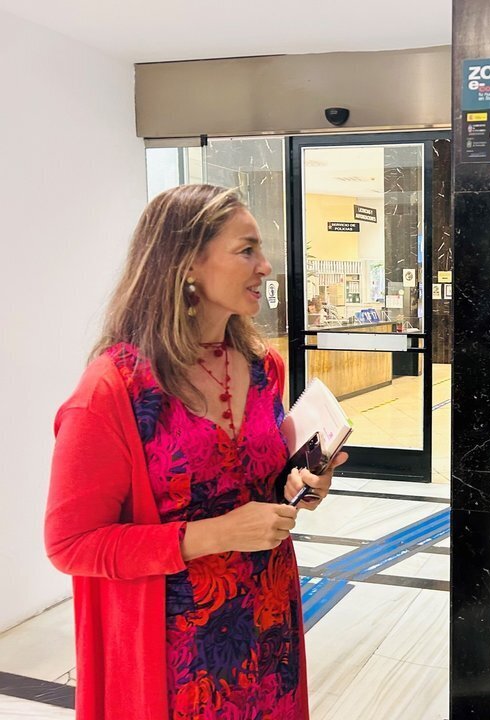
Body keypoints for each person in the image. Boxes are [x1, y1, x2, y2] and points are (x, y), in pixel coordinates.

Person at [45, 184, 347, 720]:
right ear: (187, 262)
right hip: (176, 659)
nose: (265, 266)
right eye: (247, 250)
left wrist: (302, 483)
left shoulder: (263, 368)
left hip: (269, 628)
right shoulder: (115, 389)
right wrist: (216, 534)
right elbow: (71, 544)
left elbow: (262, 484)